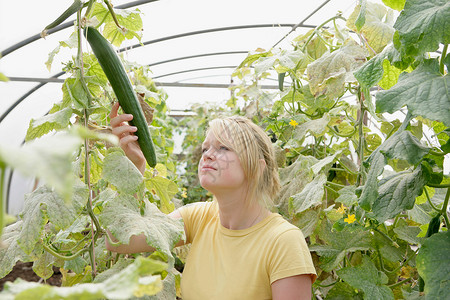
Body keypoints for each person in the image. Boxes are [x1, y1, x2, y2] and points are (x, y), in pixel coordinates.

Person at [107, 102, 317, 299]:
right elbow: (119, 240)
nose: (207, 155)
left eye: (223, 148)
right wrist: (132, 169)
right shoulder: (198, 218)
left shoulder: (284, 241)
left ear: (257, 169)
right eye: (206, 148)